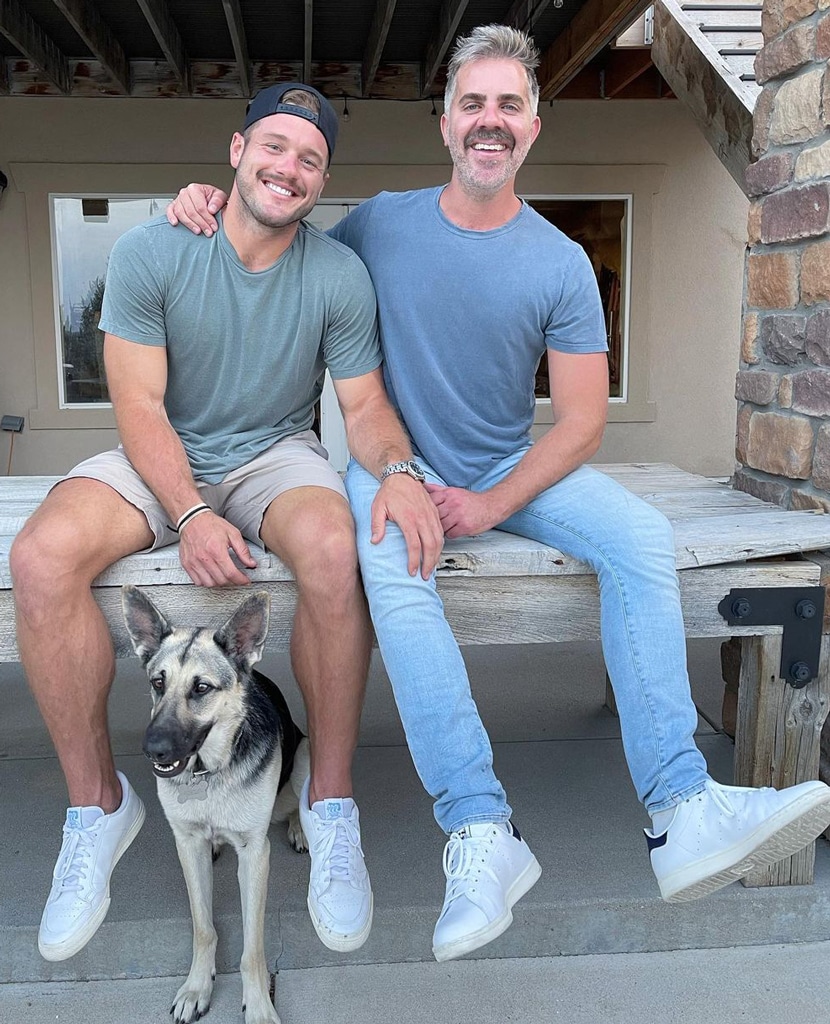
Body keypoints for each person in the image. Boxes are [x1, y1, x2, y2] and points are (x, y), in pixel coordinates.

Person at [168, 25, 830, 963]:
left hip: (502, 475)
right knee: (393, 571)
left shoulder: (559, 262)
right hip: (391, 466)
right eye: (472, 103)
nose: (490, 120)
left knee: (639, 536)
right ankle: (479, 830)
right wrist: (202, 197)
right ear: (446, 123)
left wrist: (485, 505)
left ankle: (682, 806)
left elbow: (582, 424)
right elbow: (274, 238)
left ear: (532, 127)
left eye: (508, 105)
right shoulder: (380, 224)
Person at [10, 83, 442, 963]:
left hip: (273, 453)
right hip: (158, 450)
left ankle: (329, 804)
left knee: (333, 549)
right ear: (237, 150)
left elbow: (361, 405)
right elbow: (136, 402)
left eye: (310, 158)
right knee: (42, 554)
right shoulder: (154, 248)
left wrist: (397, 469)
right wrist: (191, 511)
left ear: (322, 179)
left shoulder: (336, 275)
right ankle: (97, 811)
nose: (289, 167)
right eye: (274, 146)